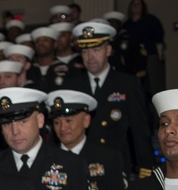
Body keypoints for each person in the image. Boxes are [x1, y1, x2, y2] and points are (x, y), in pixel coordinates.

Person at [64, 21, 155, 178]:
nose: (90, 57)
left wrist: (145, 166)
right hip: (81, 165)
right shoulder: (72, 85)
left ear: (108, 50)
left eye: (96, 50)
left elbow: (139, 129)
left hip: (116, 166)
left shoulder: (127, 83)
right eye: (85, 52)